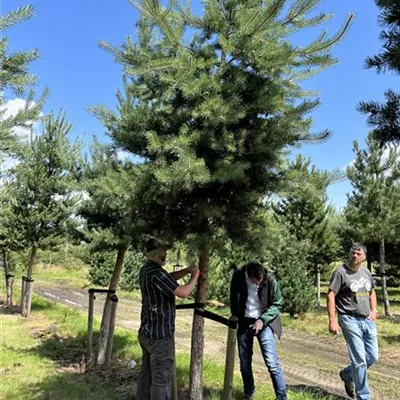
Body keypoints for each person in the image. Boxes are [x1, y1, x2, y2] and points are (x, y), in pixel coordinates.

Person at [136, 237, 200, 400]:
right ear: (159, 254)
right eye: (164, 252)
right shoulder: (157, 273)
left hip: (146, 332)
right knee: (161, 379)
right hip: (160, 336)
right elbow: (183, 293)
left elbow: (168, 278)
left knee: (147, 375)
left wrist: (186, 270)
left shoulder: (147, 270)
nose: (165, 254)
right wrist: (195, 276)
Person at [327, 243, 379, 400]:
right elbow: (330, 295)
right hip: (349, 319)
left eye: (358, 253)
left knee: (373, 357)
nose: (354, 256)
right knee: (359, 359)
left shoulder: (366, 272)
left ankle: (347, 375)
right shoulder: (340, 272)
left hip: (367, 319)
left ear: (364, 257)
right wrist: (332, 320)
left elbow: (371, 292)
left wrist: (374, 310)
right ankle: (364, 396)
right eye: (352, 253)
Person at [230, 261, 287, 400]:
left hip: (265, 323)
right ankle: (248, 393)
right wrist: (235, 315)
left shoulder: (270, 279)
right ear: (248, 276)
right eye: (255, 282)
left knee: (272, 363)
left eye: (260, 281)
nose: (258, 284)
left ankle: (281, 397)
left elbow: (278, 303)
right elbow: (233, 297)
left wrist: (262, 320)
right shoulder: (238, 277)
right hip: (244, 322)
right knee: (244, 363)